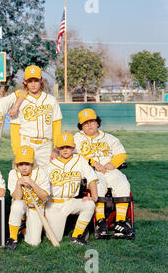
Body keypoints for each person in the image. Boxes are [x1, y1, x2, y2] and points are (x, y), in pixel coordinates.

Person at [74, 108, 135, 239]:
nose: (89, 125)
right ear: (81, 126)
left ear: (97, 123)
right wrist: (92, 162)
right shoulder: (77, 138)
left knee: (122, 183)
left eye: (92, 121)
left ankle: (121, 222)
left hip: (110, 169)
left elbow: (121, 154)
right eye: (85, 123)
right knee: (98, 184)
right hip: (91, 171)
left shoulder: (109, 138)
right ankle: (100, 222)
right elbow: (75, 156)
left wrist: (113, 163)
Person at [45, 132, 98, 246]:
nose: (65, 150)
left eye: (68, 147)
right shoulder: (50, 164)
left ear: (73, 147)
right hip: (53, 204)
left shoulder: (80, 160)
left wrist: (94, 197)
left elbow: (91, 178)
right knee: (56, 238)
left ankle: (76, 236)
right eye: (62, 147)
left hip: (70, 201)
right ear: (57, 148)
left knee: (90, 205)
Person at [10, 65, 63, 173]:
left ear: (41, 80)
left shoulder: (51, 100)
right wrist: (17, 150)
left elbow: (56, 126)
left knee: (47, 177)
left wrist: (56, 148)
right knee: (25, 176)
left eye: (36, 80)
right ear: (25, 82)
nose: (33, 84)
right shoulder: (20, 101)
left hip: (45, 145)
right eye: (30, 81)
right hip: (26, 142)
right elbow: (15, 129)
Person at [5, 146, 50, 250]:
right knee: (17, 205)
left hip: (36, 207)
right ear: (16, 164)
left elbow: (44, 197)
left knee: (34, 243)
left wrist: (32, 184)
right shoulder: (13, 174)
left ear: (32, 164)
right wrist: (18, 184)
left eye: (27, 164)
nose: (24, 167)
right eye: (20, 164)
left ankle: (23, 228)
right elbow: (17, 198)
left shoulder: (41, 173)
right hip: (22, 205)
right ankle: (12, 238)